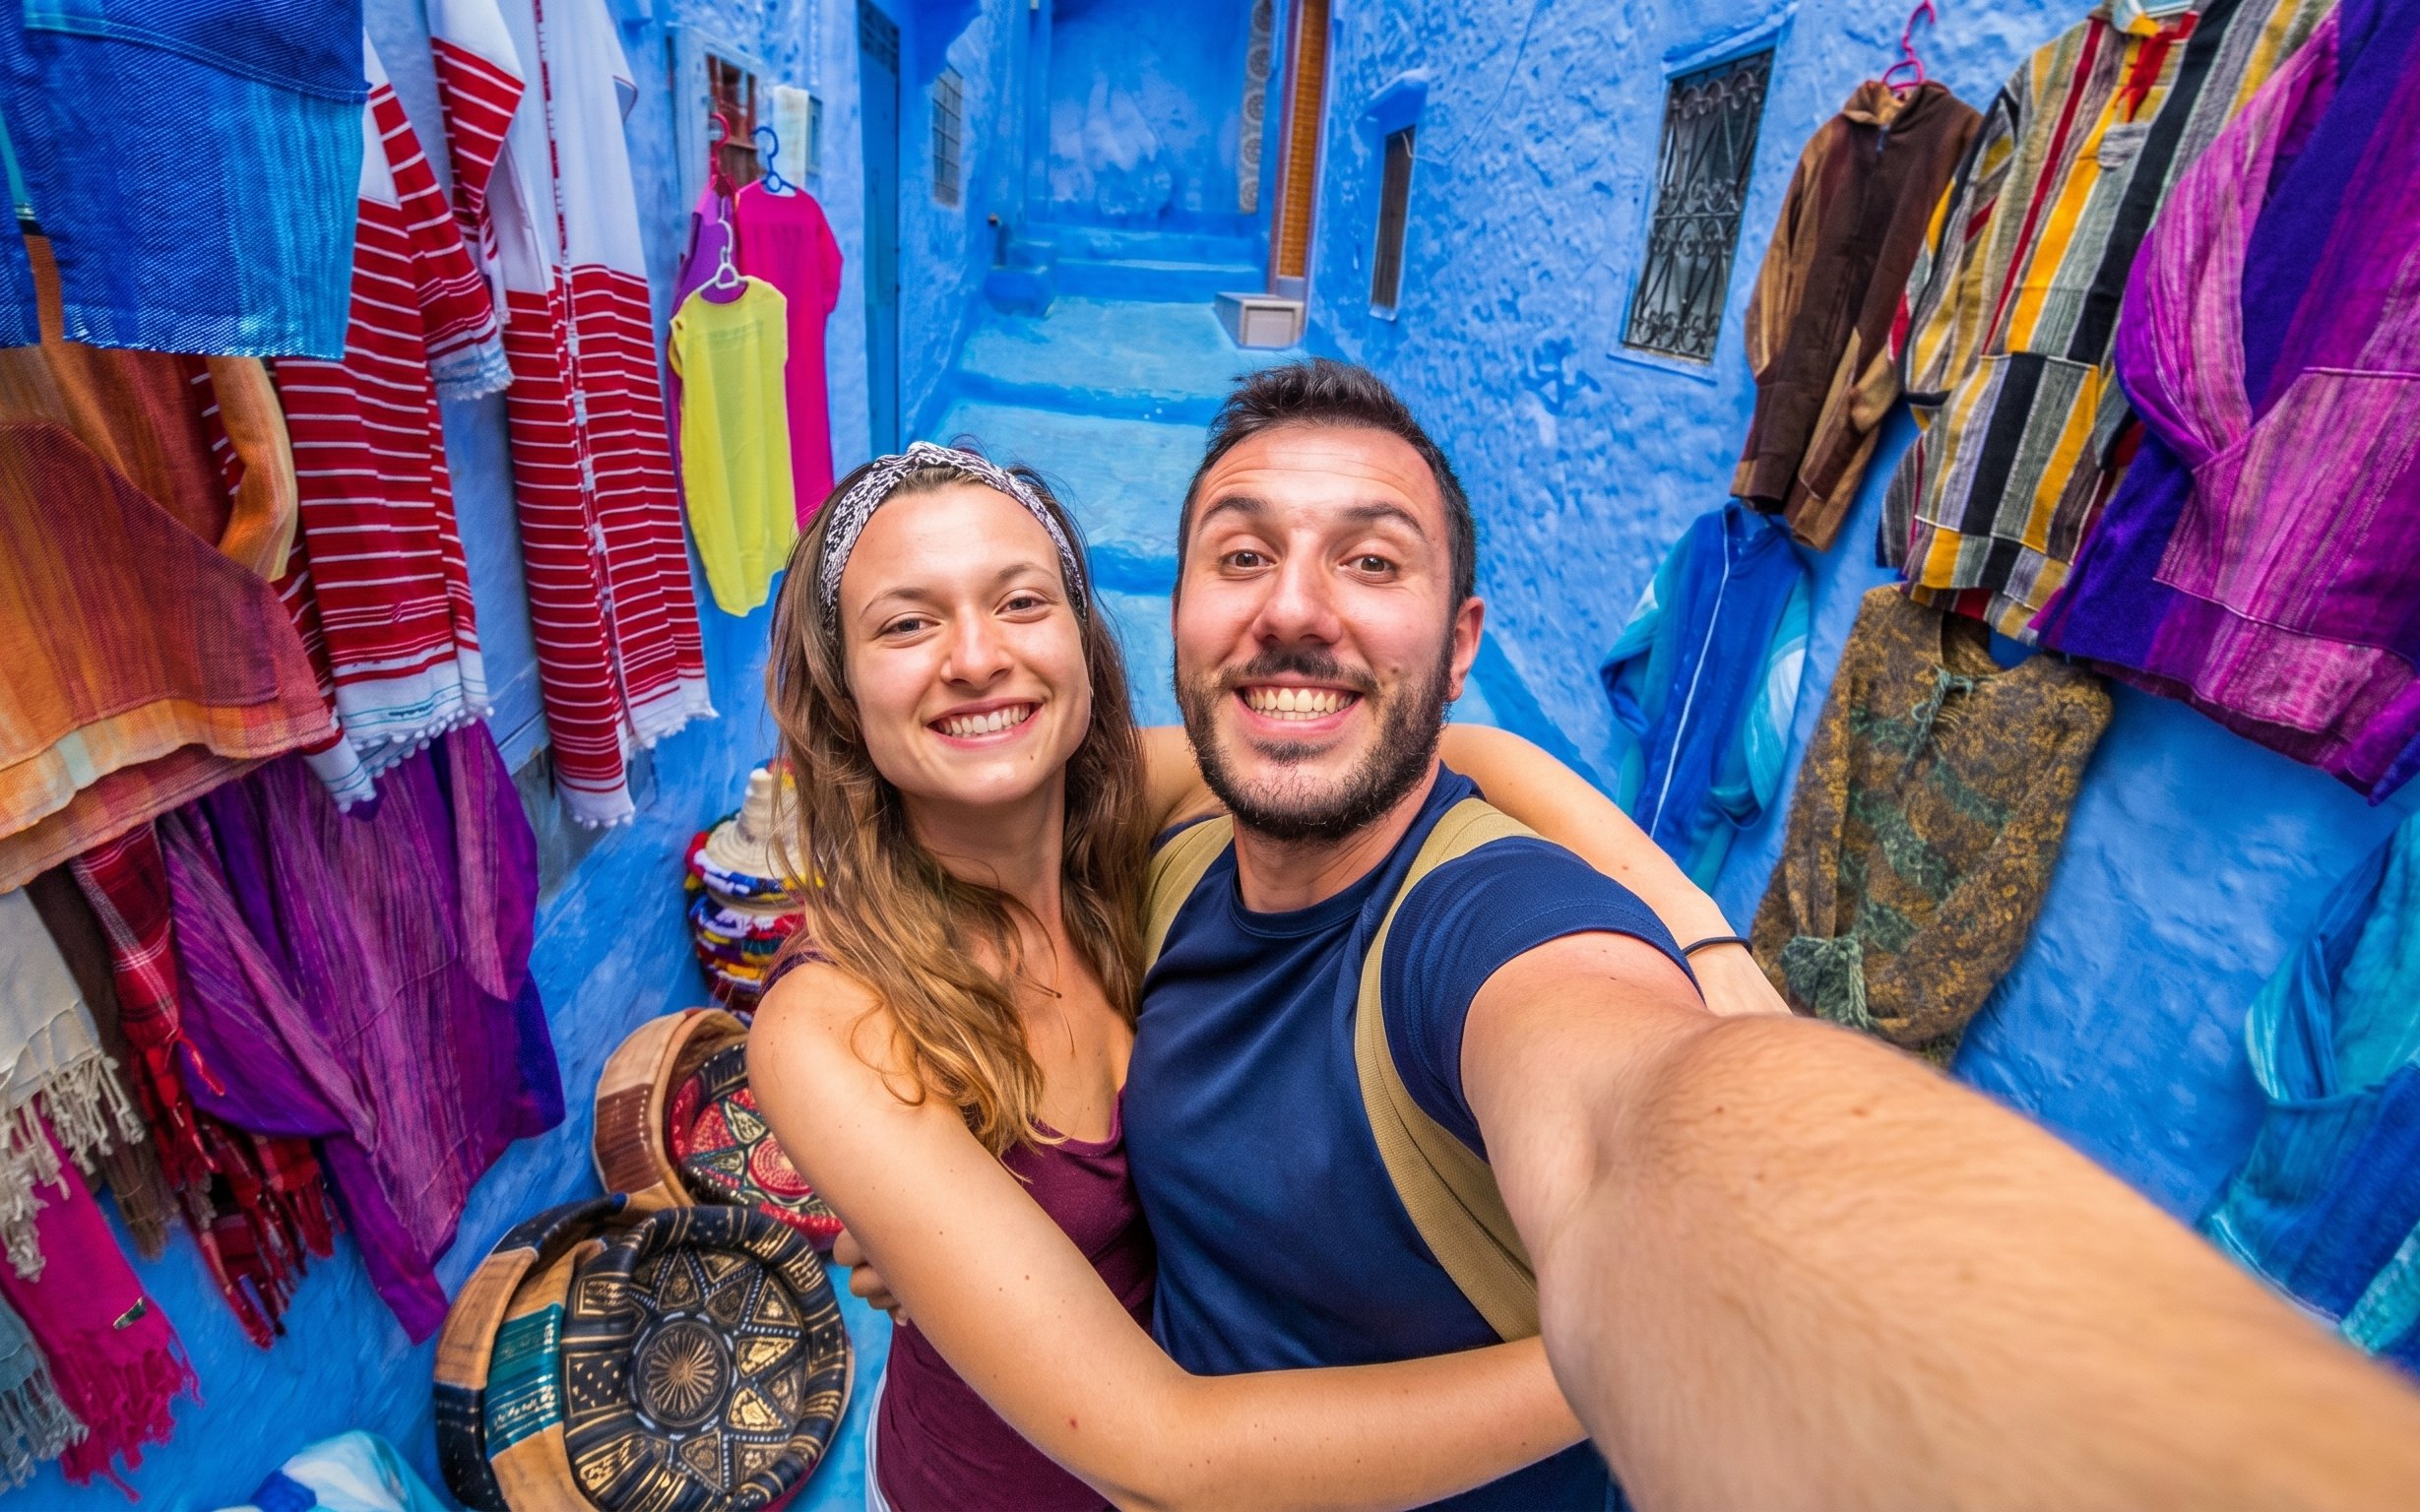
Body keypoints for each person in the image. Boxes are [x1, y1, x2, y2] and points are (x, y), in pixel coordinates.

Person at [1122, 357, 2420, 1511]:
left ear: (1461, 643)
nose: (1292, 608)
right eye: (1240, 556)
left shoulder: (1487, 925)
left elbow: (1634, 1129)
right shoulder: (1165, 851)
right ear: (1175, 614)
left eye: (1371, 560)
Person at [747, 440, 1757, 1512]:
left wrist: (1701, 938)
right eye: (906, 623)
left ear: (1084, 645)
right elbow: (1160, 1459)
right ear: (841, 689)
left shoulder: (1122, 819)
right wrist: (1627, 1358)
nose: (975, 657)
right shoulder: (835, 1023)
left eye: (1020, 602)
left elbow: (1454, 761)